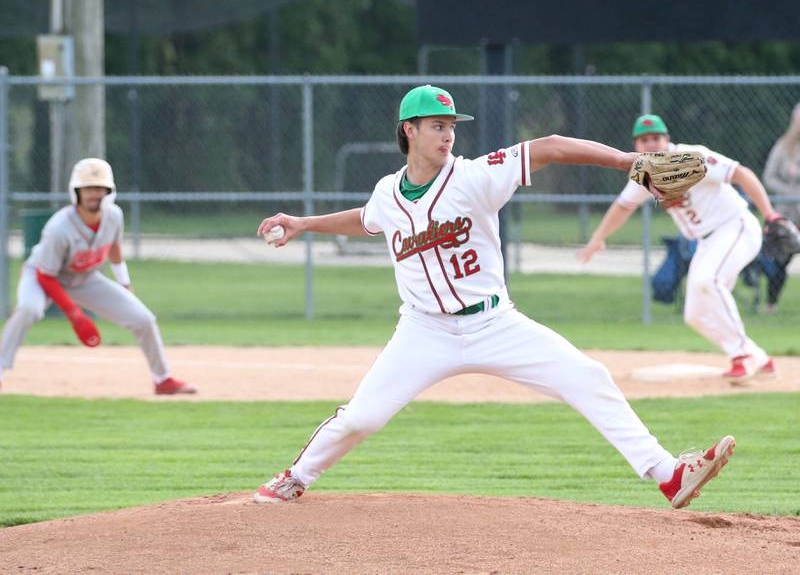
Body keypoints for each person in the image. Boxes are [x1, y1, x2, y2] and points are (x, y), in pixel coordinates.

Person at [253, 85, 735, 510]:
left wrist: (627, 162)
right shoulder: (387, 193)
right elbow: (366, 220)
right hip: (424, 330)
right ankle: (295, 477)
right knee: (362, 416)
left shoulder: (474, 176)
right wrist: (304, 224)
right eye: (437, 125)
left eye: (452, 127)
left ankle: (669, 476)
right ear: (409, 131)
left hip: (495, 324)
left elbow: (550, 147)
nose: (448, 135)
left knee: (588, 376)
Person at [578, 114, 780, 382]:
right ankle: (762, 360)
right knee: (695, 314)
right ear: (636, 146)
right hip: (708, 242)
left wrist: (770, 215)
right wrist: (598, 238)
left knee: (709, 281)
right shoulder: (645, 173)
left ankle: (743, 355)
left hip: (736, 227)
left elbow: (740, 173)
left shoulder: (693, 157)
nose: (650, 144)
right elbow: (623, 206)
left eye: (656, 138)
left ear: (667, 140)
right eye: (644, 139)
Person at [0, 158, 196, 395]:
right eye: (88, 189)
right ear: (77, 193)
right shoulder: (59, 227)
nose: (94, 194)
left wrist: (125, 283)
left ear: (109, 192)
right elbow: (46, 275)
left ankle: (162, 380)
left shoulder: (113, 216)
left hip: (84, 278)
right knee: (29, 309)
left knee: (144, 319)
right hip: (42, 277)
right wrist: (75, 315)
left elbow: (114, 248)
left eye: (99, 188)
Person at [761, 102, 800, 310]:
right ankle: (771, 303)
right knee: (780, 261)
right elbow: (769, 177)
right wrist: (788, 191)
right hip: (787, 212)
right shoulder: (783, 147)